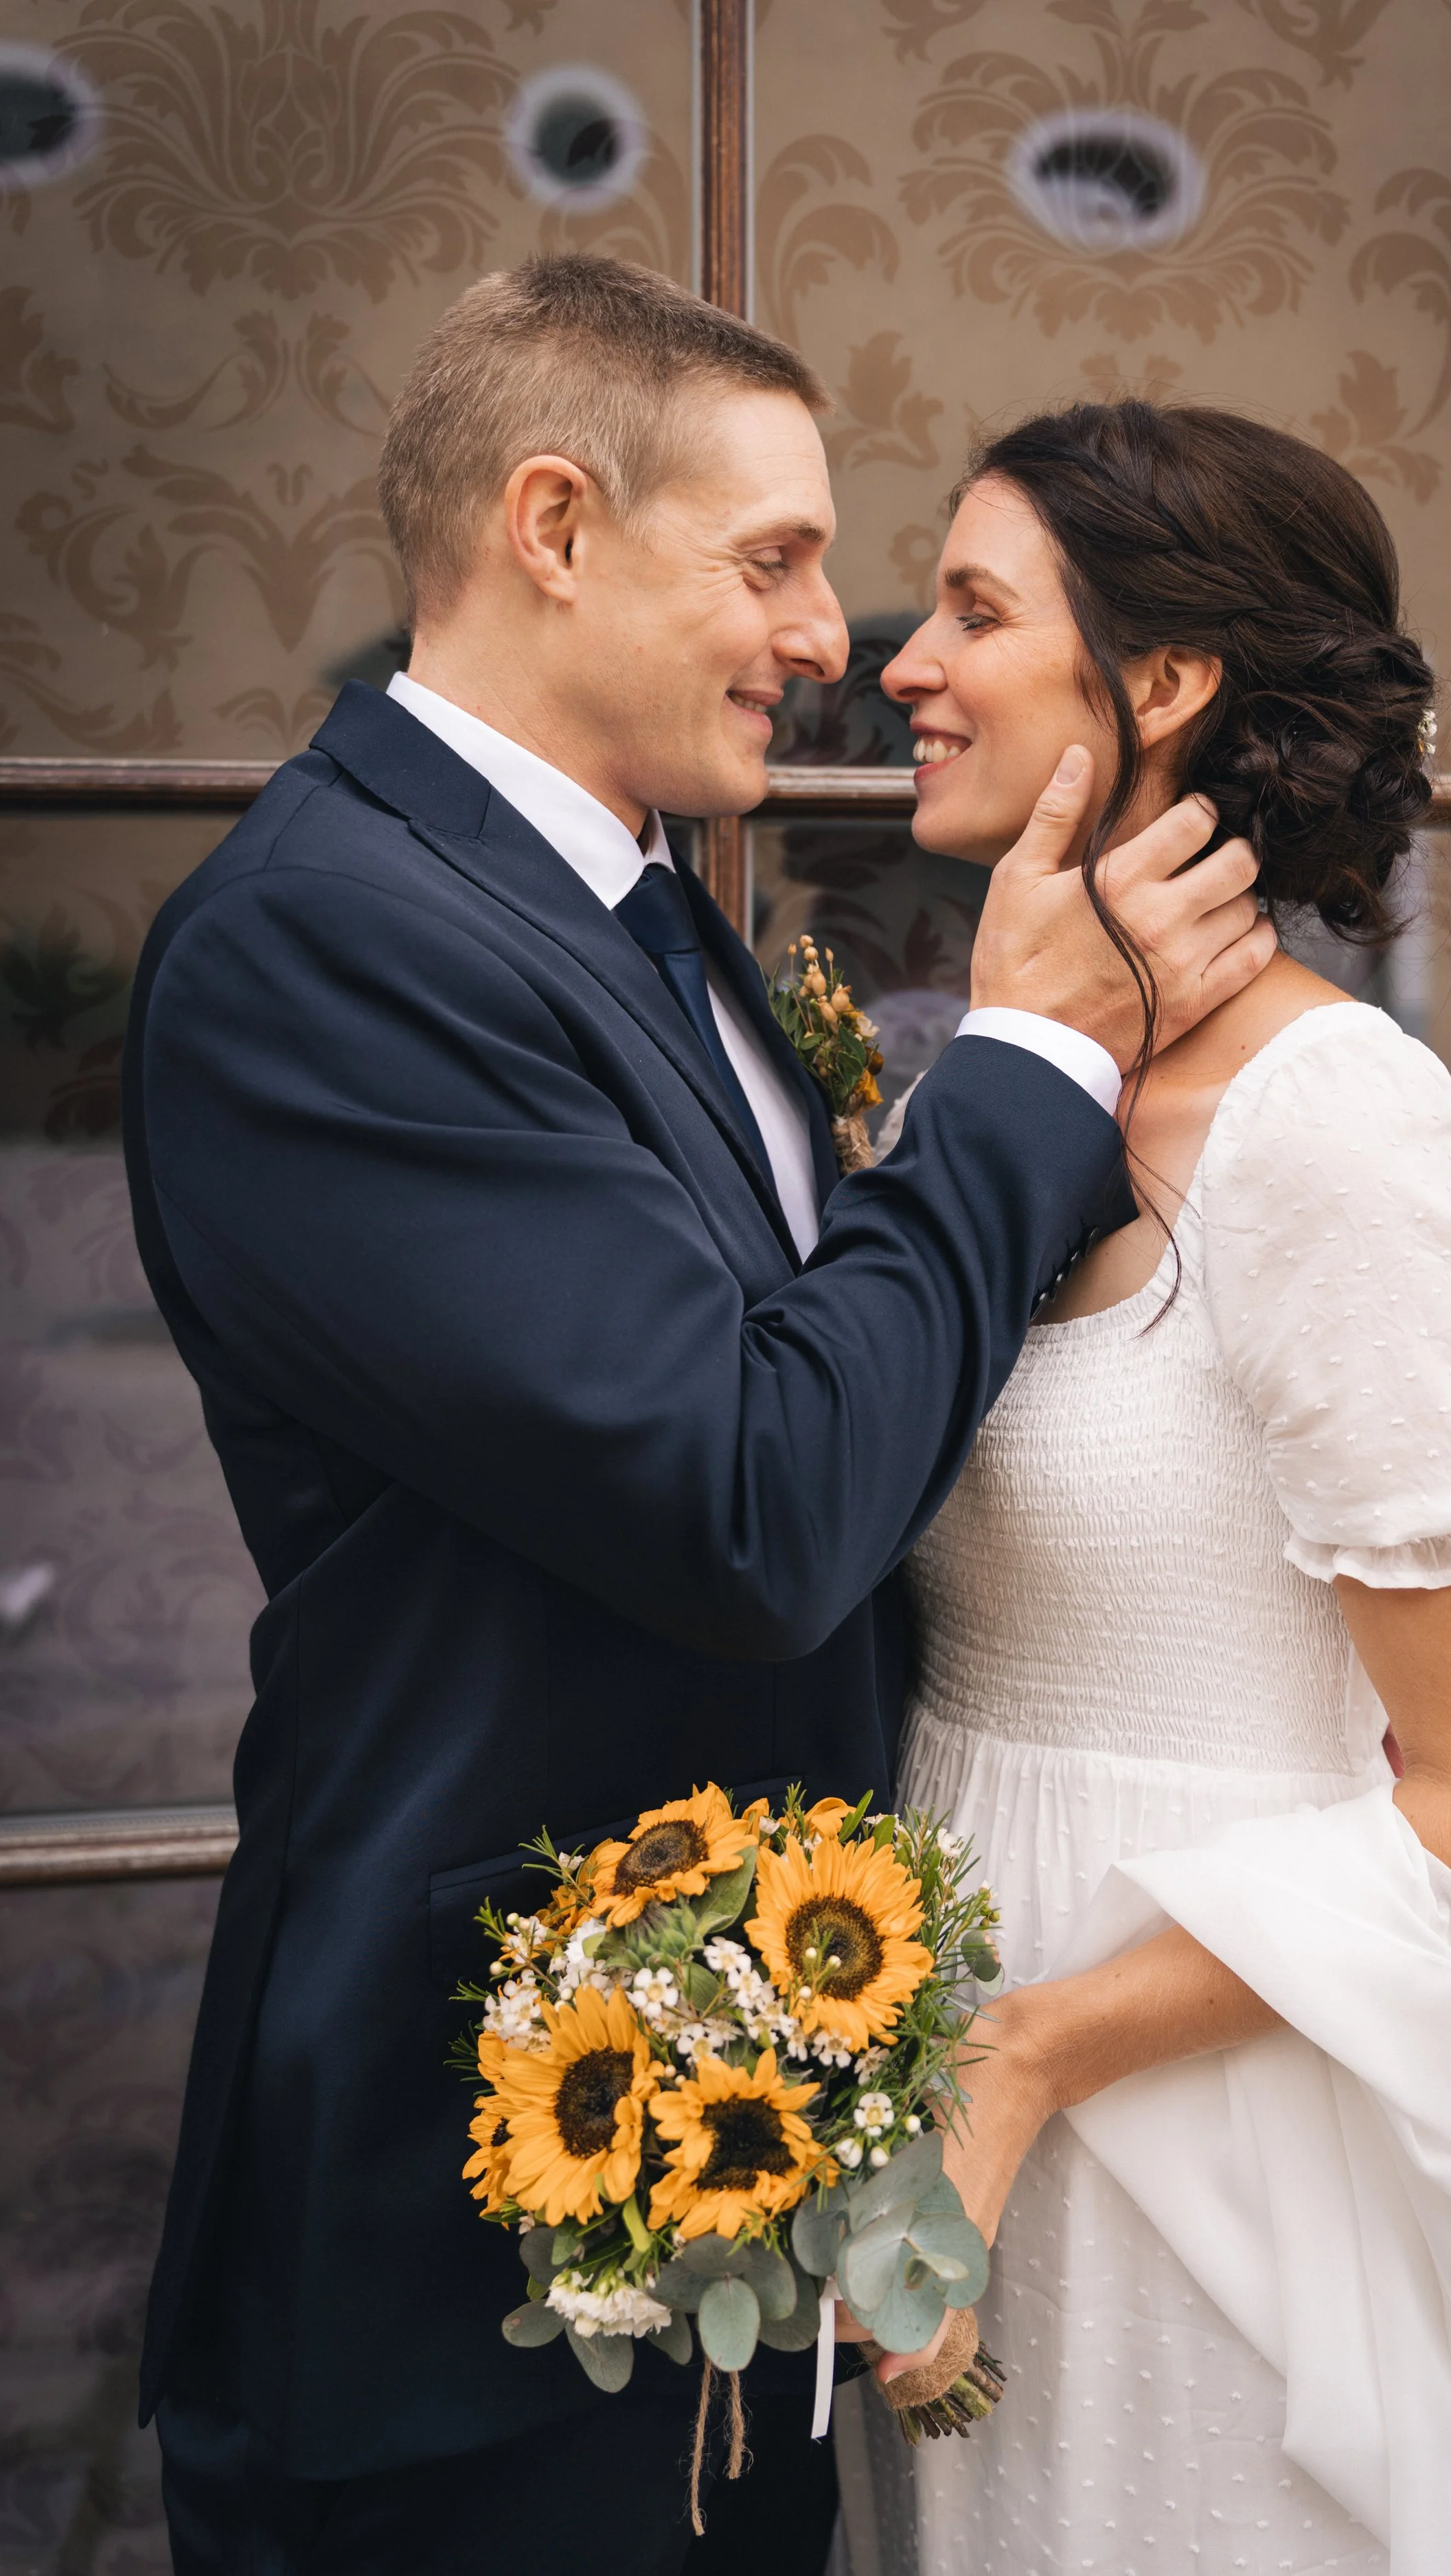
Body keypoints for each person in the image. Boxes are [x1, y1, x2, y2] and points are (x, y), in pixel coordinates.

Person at [122, 262, 1275, 2575]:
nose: (833, 635)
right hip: (475, 2214)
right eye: (769, 561)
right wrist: (1033, 1061)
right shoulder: (323, 941)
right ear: (552, 522)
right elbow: (750, 1496)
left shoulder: (646, 905)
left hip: (740, 2167)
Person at [844, 400, 1451, 2575]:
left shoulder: (1330, 1124)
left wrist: (1033, 2052)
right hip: (960, 2113)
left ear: (1159, 686)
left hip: (1201, 2120)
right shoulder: (987, 1097)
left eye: (976, 608)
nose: (900, 658)